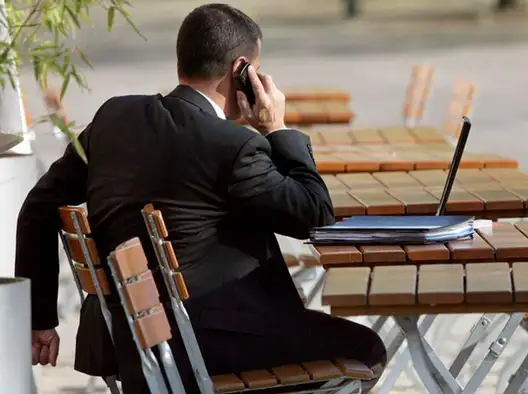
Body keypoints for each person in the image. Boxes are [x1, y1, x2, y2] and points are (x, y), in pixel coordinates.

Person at [14, 3, 386, 393]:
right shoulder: (234, 147)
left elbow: (38, 207)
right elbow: (315, 216)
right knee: (366, 348)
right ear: (241, 70)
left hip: (129, 342)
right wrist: (277, 129)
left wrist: (40, 319)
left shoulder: (114, 118)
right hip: (211, 347)